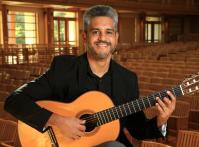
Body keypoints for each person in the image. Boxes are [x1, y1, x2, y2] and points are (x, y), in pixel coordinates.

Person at [4, 5, 176, 147]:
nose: (103, 38)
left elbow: (137, 130)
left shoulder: (127, 79)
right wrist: (57, 120)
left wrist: (161, 120)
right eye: (96, 32)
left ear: (116, 38)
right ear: (85, 36)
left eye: (109, 32)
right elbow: (14, 100)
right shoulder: (63, 68)